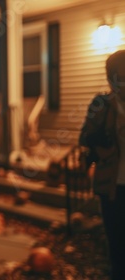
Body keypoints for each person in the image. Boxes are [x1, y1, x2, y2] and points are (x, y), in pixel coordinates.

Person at [79, 49, 125, 280]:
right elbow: (85, 136)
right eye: (120, 76)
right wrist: (99, 143)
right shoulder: (102, 104)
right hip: (113, 185)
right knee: (117, 242)